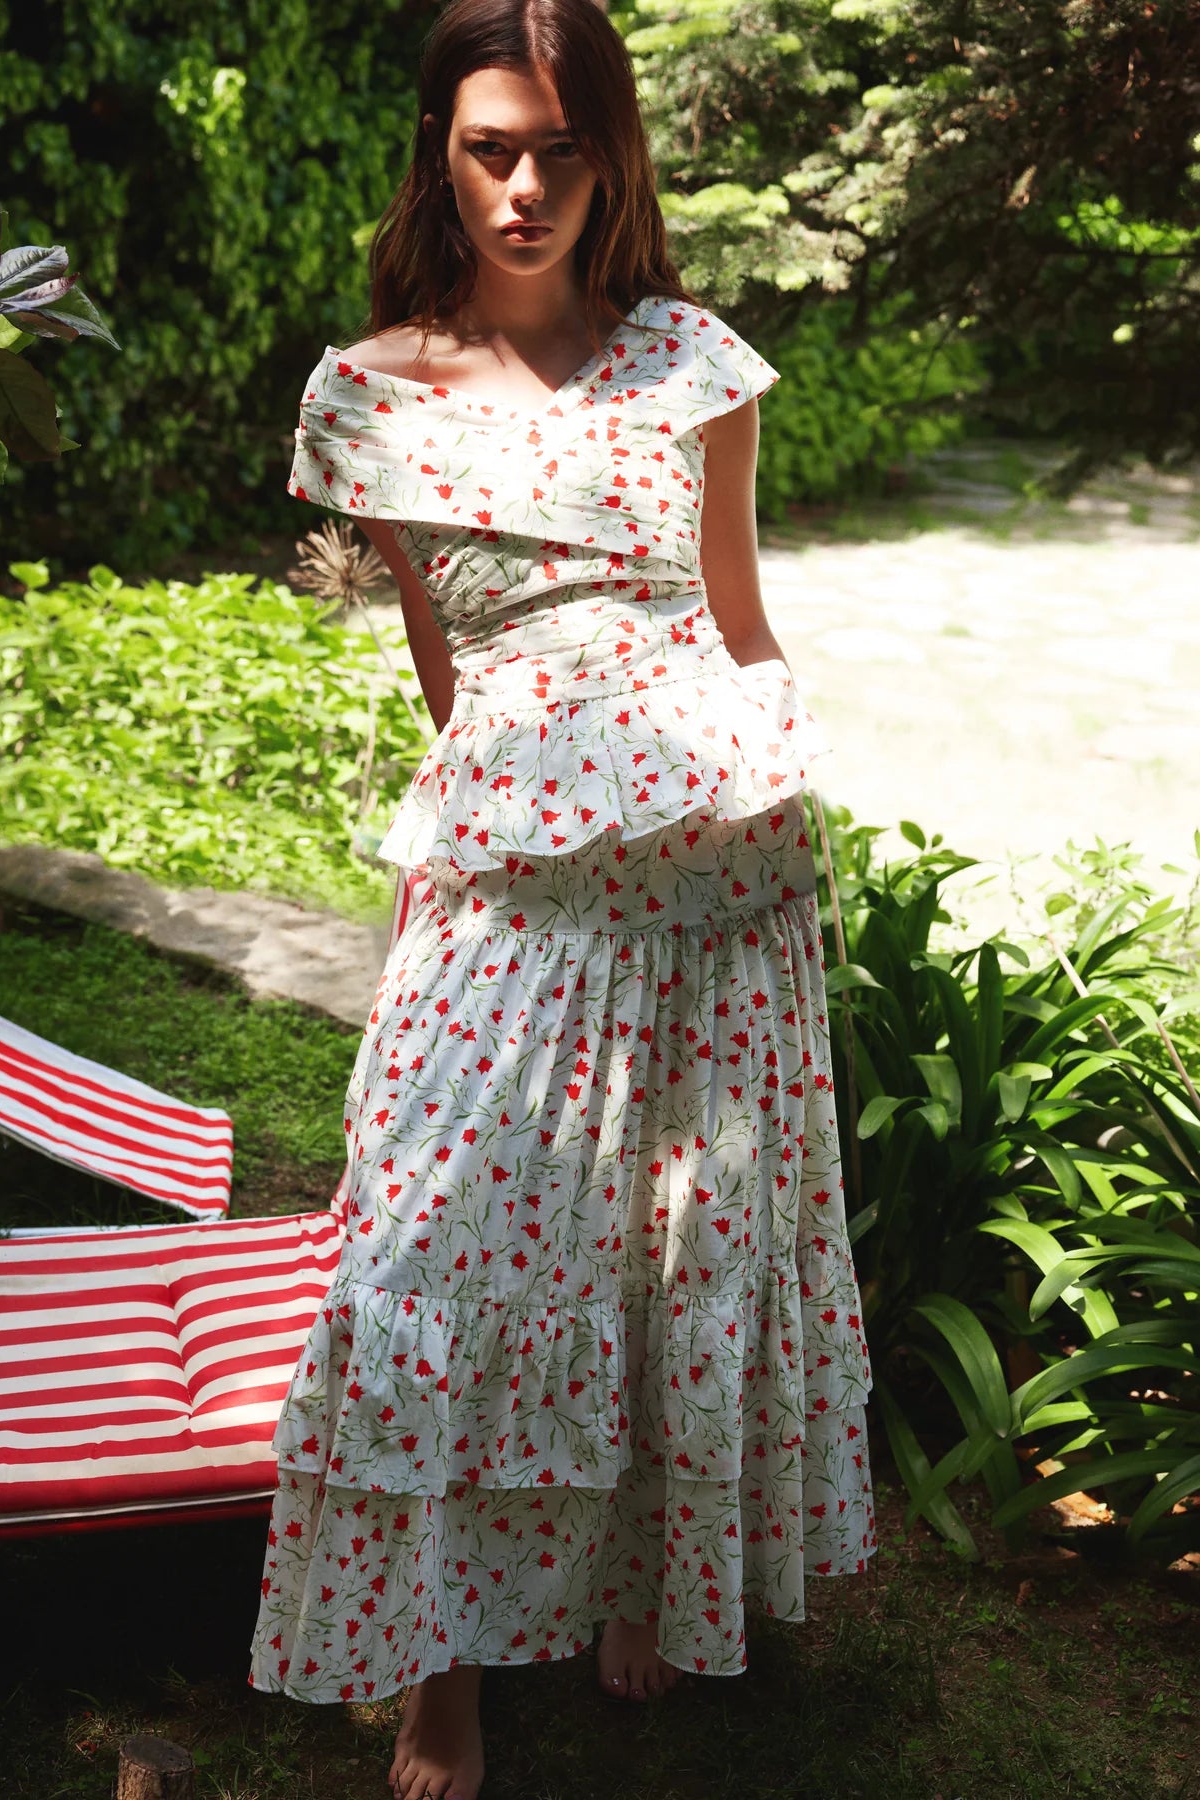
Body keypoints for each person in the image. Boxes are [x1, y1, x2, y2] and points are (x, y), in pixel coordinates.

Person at [249, 0, 876, 1794]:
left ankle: (639, 1580)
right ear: (438, 154)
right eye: (487, 148)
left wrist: (781, 842)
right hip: (516, 849)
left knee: (666, 1240)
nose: (524, 187)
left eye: (559, 149)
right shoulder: (361, 392)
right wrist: (445, 884)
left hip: (716, 863)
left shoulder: (695, 361)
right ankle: (437, 1666)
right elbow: (448, 678)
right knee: (430, 1226)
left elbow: (741, 622)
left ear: (611, 158)